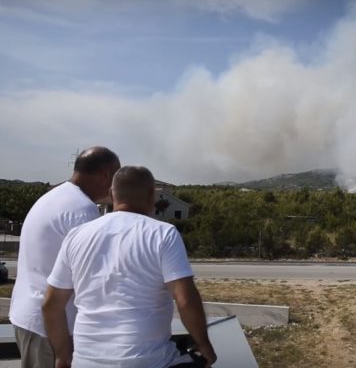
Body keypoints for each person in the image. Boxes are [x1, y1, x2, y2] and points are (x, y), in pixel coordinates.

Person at [42, 166, 217, 368]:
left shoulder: (76, 236)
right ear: (152, 195)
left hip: (85, 361)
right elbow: (185, 300)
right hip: (149, 361)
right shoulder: (163, 234)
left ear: (110, 194)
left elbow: (50, 305)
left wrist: (62, 357)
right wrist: (205, 345)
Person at [10, 147, 120, 368]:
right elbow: (93, 279)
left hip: (31, 317)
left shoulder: (56, 197)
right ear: (106, 175)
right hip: (50, 328)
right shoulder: (82, 210)